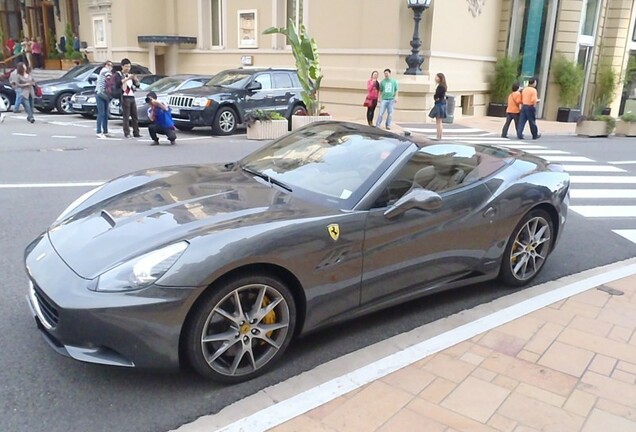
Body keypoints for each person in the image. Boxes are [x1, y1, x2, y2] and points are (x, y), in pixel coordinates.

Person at [119, 58, 141, 138]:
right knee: (126, 116)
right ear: (122, 66)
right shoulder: (119, 74)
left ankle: (136, 132)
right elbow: (119, 83)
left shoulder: (131, 75)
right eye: (126, 66)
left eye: (129, 66)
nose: (128, 68)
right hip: (125, 96)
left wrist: (136, 80)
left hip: (132, 96)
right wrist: (127, 78)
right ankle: (127, 132)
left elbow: (137, 85)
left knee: (135, 116)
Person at [95, 60, 113, 138]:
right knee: (101, 113)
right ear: (105, 65)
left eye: (111, 65)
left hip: (105, 95)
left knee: (105, 114)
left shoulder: (107, 72)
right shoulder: (104, 70)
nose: (110, 66)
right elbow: (108, 76)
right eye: (108, 65)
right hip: (100, 94)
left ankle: (105, 131)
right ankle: (99, 131)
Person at [430, 72, 448, 140]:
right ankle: (439, 136)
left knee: (438, 122)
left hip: (439, 104)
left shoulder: (440, 86)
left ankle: (438, 136)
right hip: (442, 103)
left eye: (437, 77)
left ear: (440, 78)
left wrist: (435, 97)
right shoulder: (444, 86)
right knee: (439, 122)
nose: (435, 78)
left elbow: (437, 95)